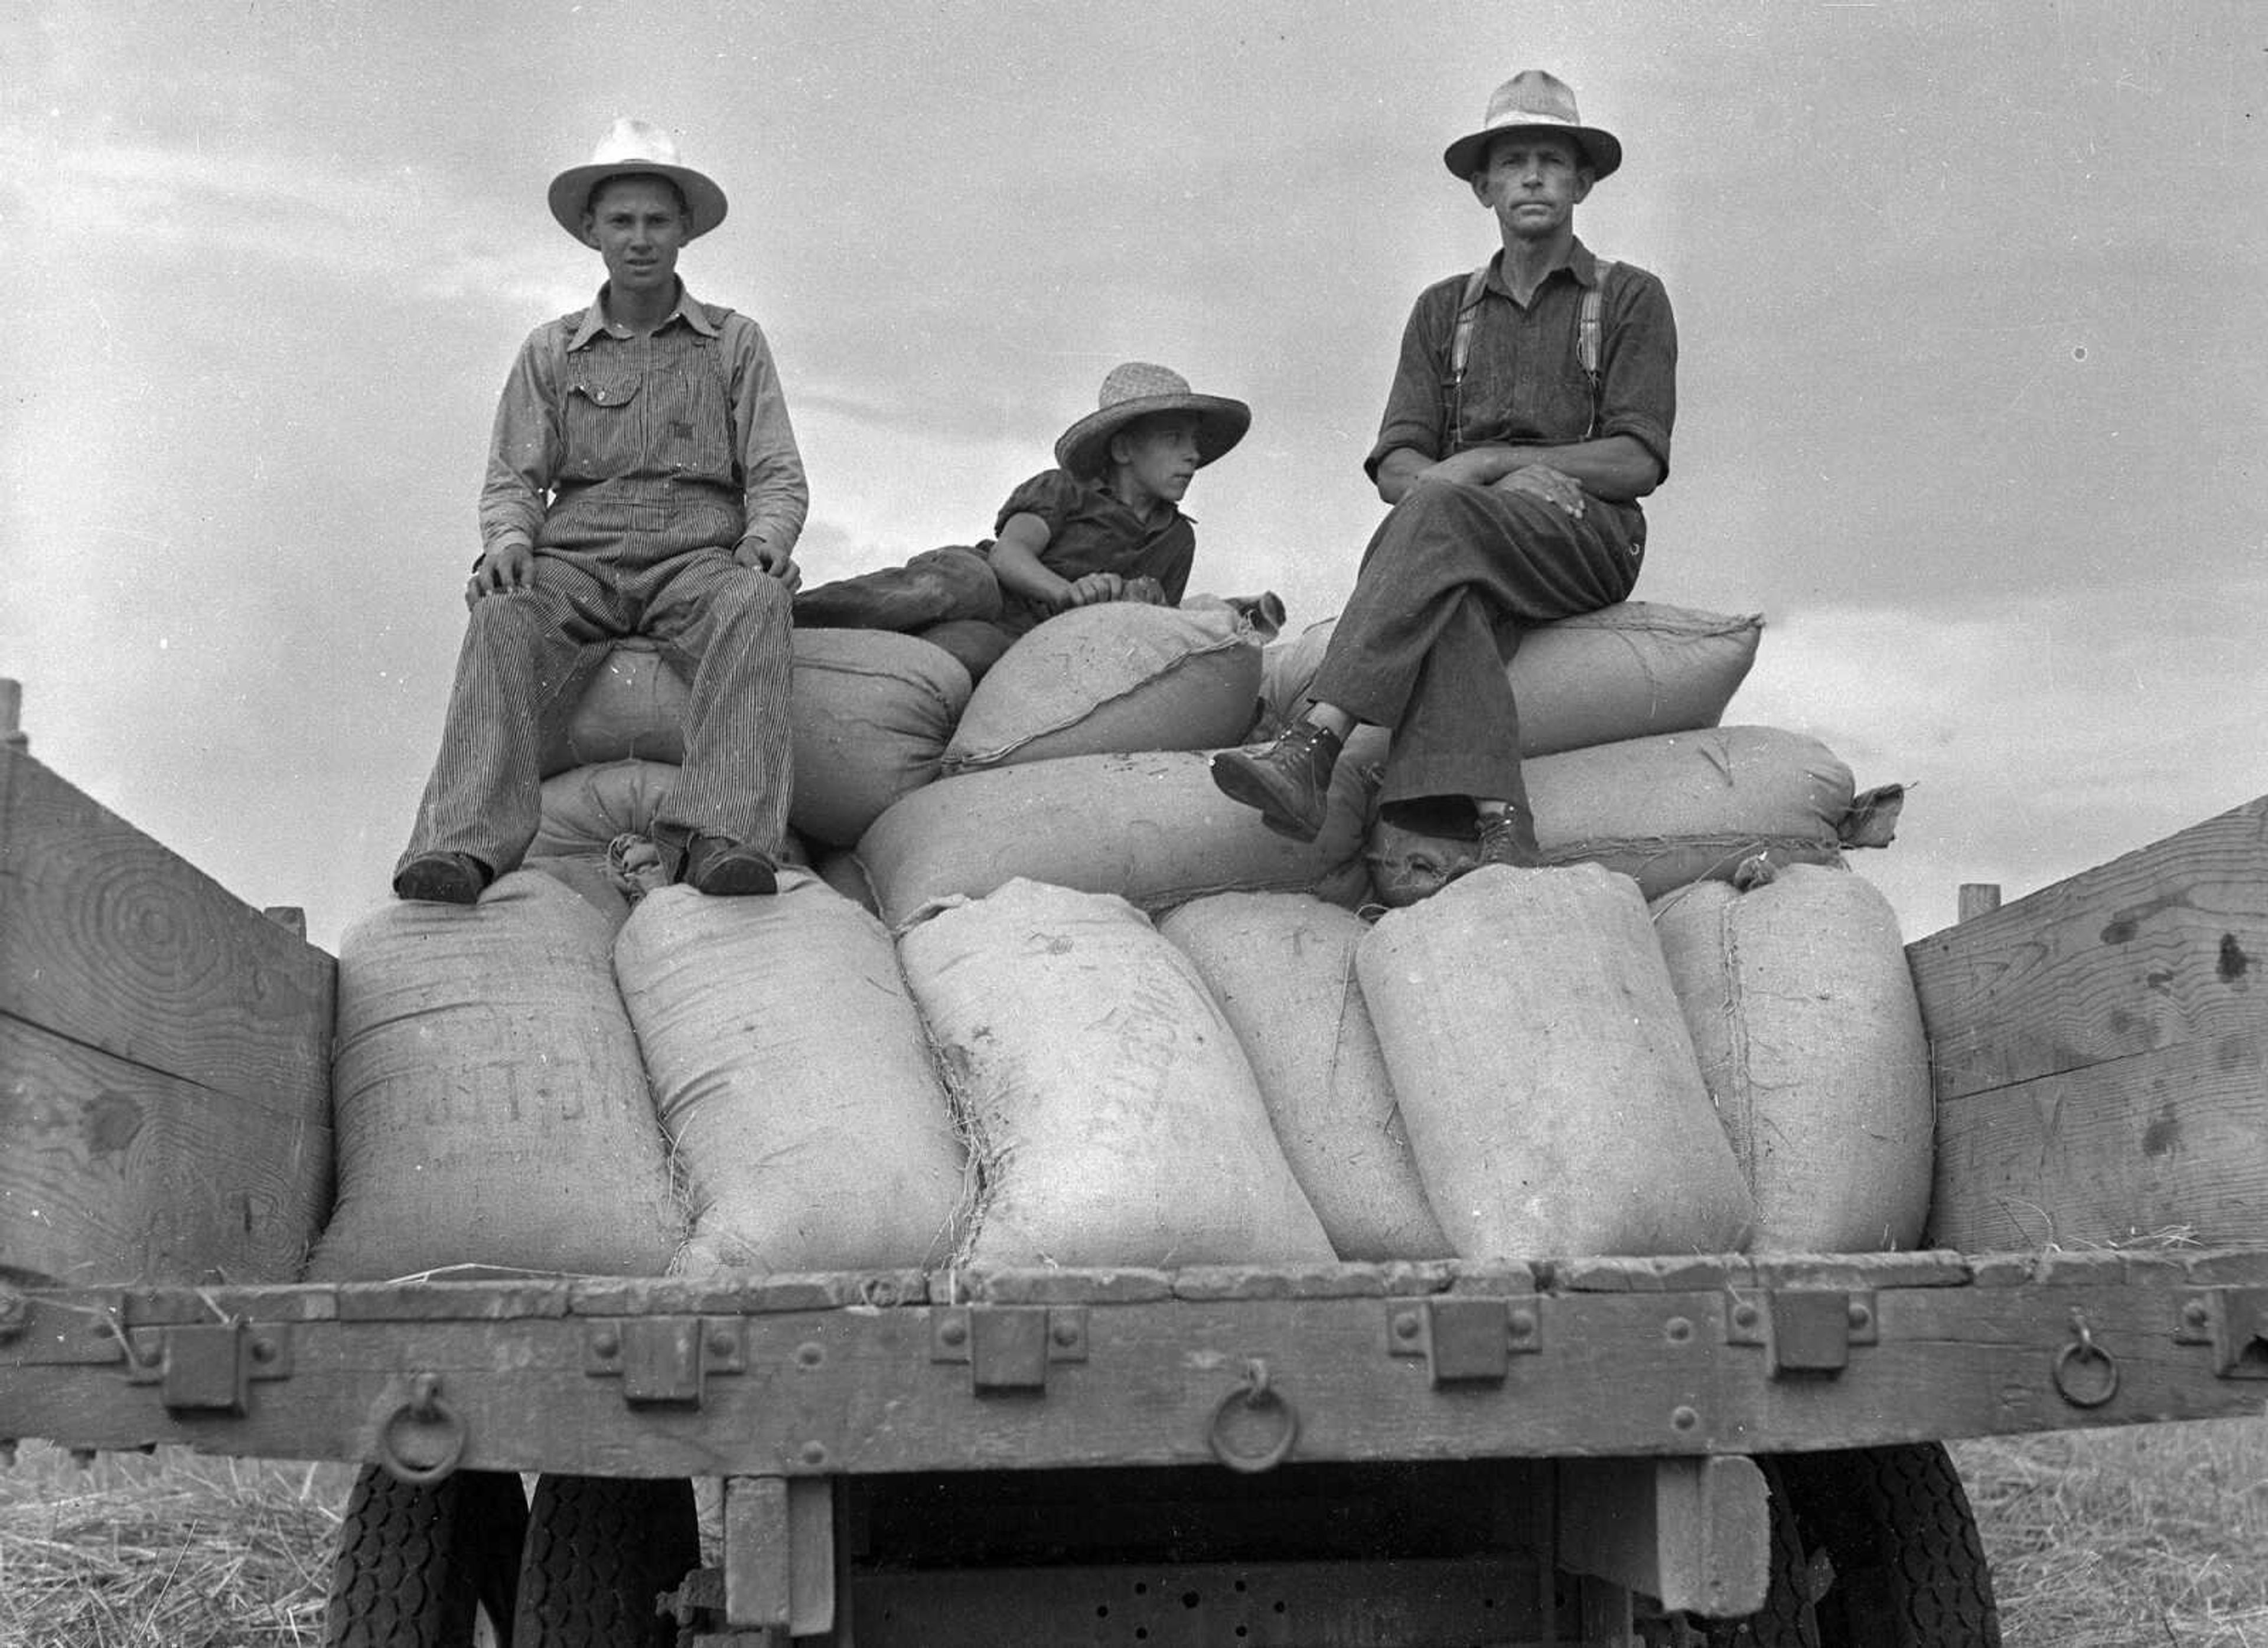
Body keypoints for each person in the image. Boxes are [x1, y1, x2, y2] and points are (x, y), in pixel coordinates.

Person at [1210, 70, 1676, 872]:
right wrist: (1480, 485)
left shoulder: (1630, 297)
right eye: (1513, 161)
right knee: (1449, 596)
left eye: (1552, 160)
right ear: (1482, 187)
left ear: (1583, 181)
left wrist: (1491, 462)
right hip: (1462, 529)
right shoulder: (1442, 311)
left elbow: (1637, 458)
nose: (1532, 175)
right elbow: (1396, 463)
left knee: (1436, 515)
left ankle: (1316, 737)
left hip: (1586, 534)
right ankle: (1501, 826)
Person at [393, 119, 807, 903]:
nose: (640, 238)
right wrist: (510, 539)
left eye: (657, 221)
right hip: (577, 561)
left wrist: (765, 542)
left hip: (696, 558)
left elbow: (778, 473)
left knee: (758, 599)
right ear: (592, 231)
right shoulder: (551, 351)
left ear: (685, 230)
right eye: (622, 221)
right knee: (501, 609)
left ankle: (722, 838)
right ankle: (460, 848)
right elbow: (514, 475)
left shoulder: (733, 342)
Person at [791, 362, 1250, 679]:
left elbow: (1149, 627)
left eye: (1194, 441)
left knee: (974, 654)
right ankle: (785, 614)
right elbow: (1009, 555)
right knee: (960, 587)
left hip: (1024, 635)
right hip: (987, 583)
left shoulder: (1176, 539)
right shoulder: (1064, 489)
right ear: (1123, 449)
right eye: (1174, 439)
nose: (1193, 454)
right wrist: (1068, 593)